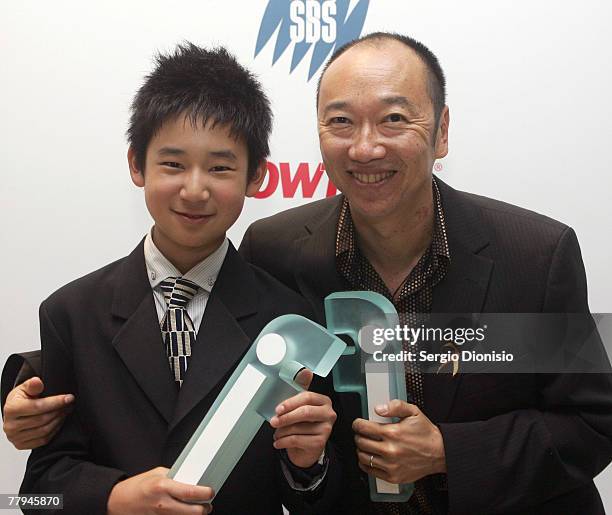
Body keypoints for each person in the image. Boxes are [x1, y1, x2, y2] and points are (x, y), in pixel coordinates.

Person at [4, 32, 612, 514]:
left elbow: (591, 421)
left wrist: (450, 453)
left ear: (443, 130)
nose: (366, 147)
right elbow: (176, 335)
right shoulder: (281, 253)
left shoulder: (534, 254)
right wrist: (25, 379)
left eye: (395, 119)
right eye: (341, 122)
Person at [6, 42, 340, 515]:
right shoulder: (70, 313)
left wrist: (308, 462)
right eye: (173, 164)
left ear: (256, 177)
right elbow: (39, 491)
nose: (195, 188)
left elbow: (307, 497)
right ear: (136, 165)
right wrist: (117, 497)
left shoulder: (288, 318)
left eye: (221, 167)